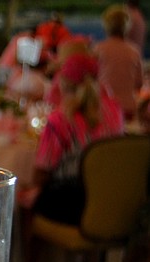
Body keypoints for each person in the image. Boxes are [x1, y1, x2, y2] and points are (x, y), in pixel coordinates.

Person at [31, 53, 124, 227]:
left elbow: (42, 172)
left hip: (74, 203)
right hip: (110, 201)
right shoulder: (115, 110)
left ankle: (28, 255)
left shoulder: (60, 119)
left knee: (26, 202)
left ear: (62, 81)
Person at [94, 5, 143, 120]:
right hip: (128, 110)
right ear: (127, 27)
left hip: (103, 109)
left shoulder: (97, 49)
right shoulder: (134, 51)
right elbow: (139, 84)